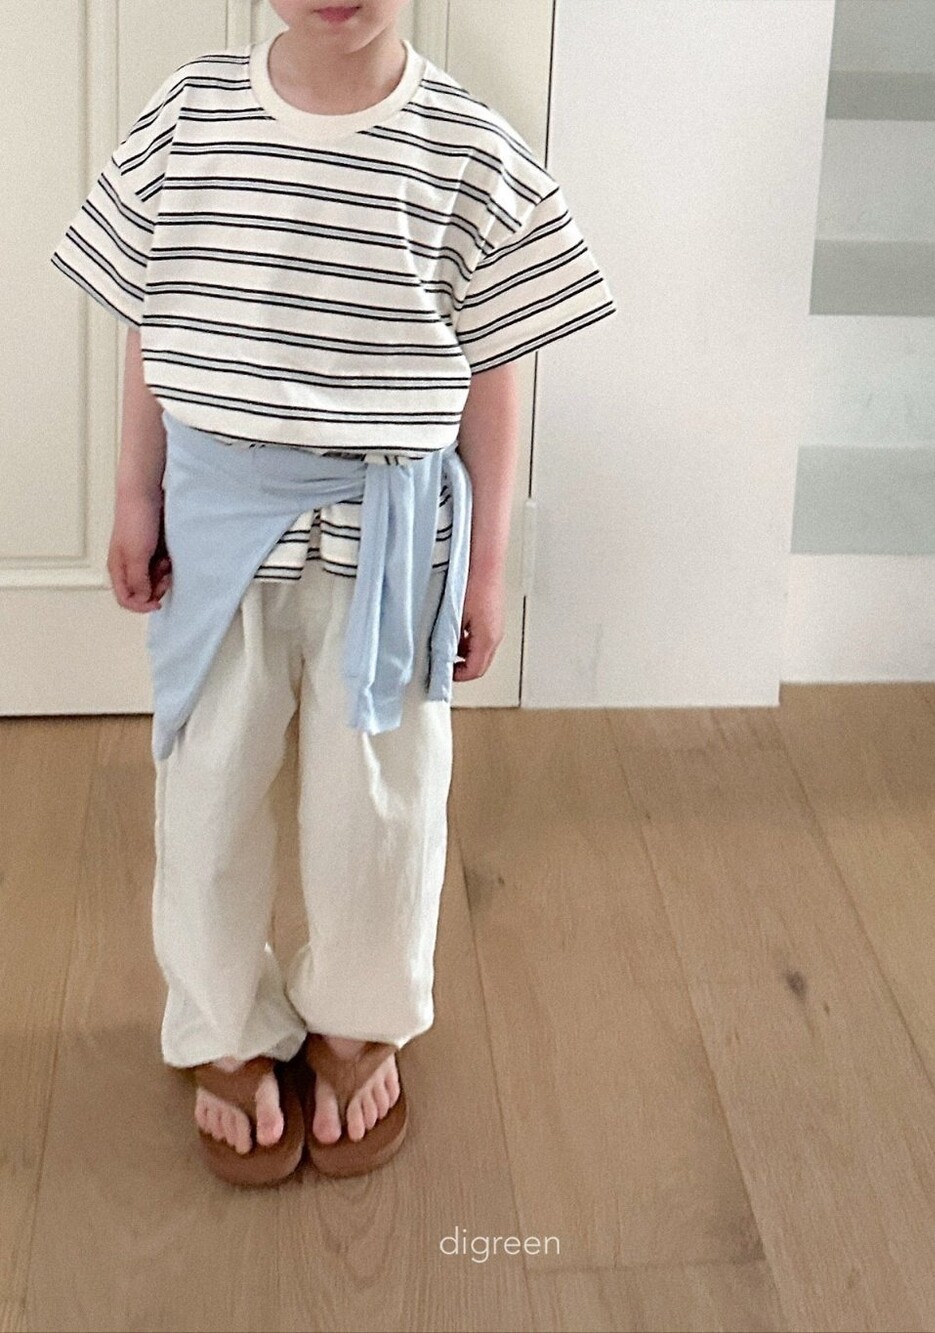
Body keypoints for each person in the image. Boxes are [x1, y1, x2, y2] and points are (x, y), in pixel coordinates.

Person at [49, 0, 617, 1184]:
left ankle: (357, 1017)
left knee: (380, 804)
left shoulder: (468, 149)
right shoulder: (190, 119)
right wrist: (133, 493)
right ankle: (221, 1020)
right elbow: (152, 321)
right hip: (220, 532)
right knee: (208, 792)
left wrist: (490, 568)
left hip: (392, 542)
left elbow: (495, 377)